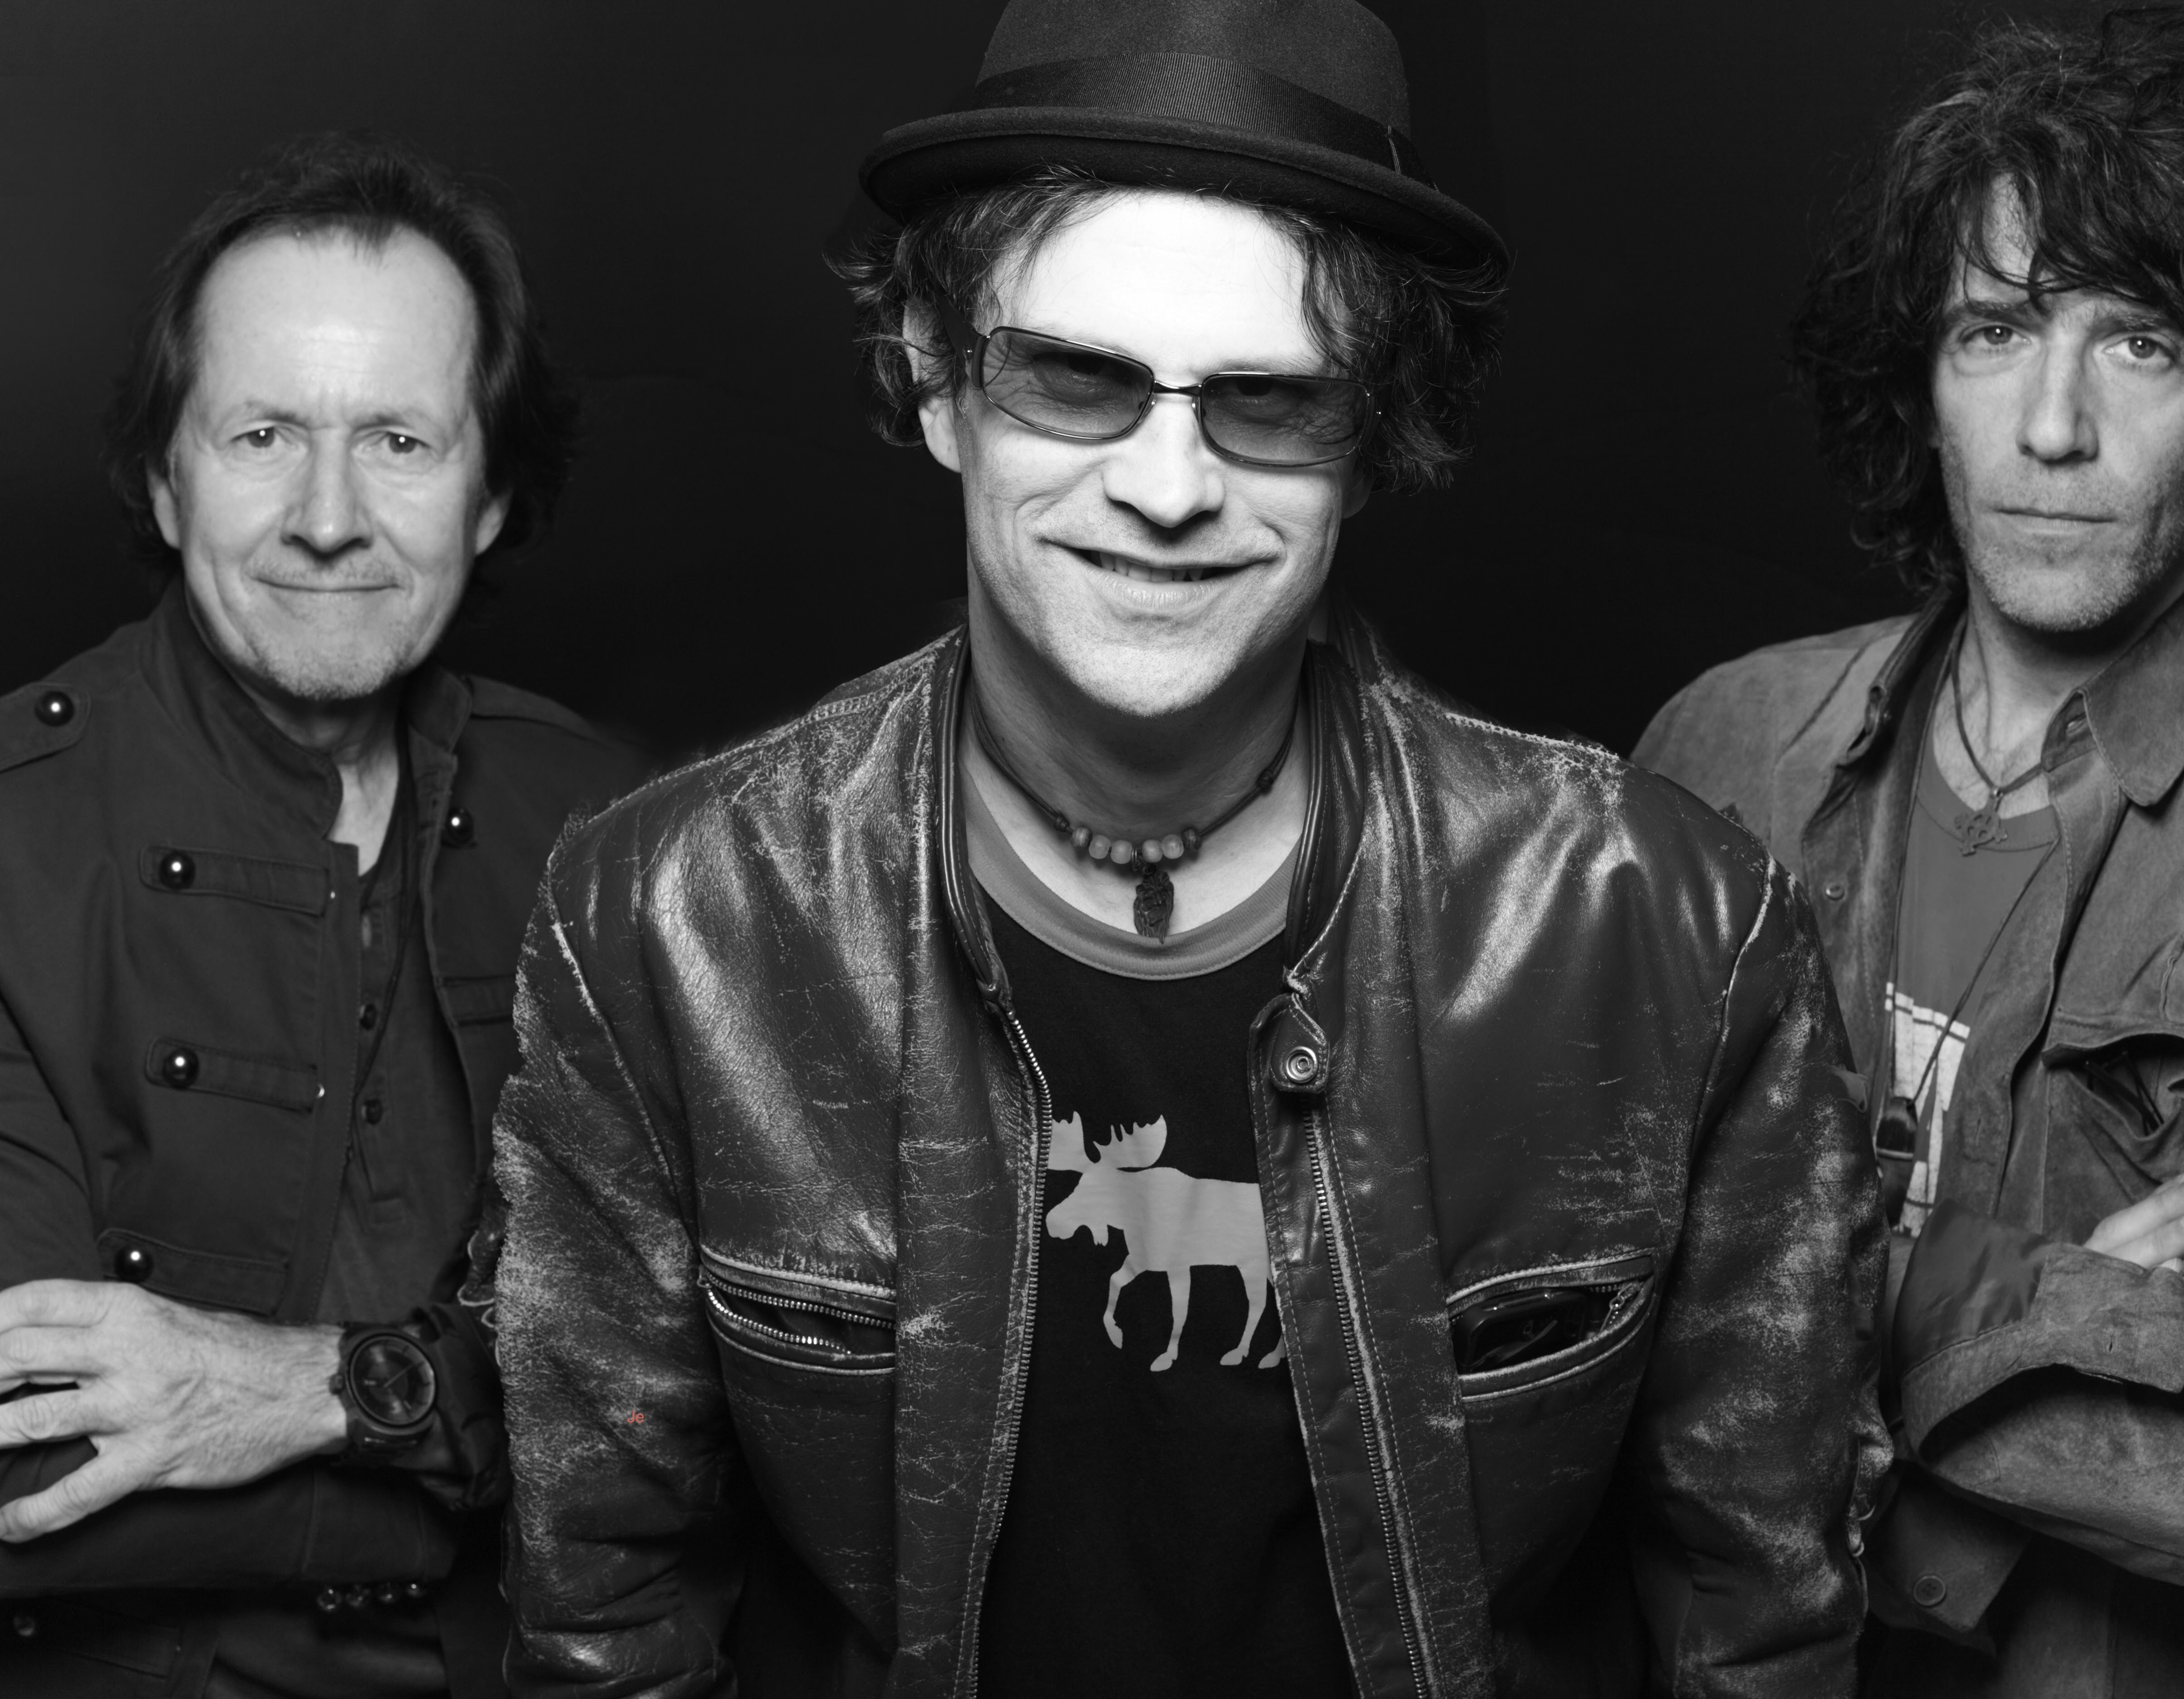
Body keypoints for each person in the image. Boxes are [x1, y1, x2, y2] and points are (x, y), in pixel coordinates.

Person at [487, 2, 1884, 1693]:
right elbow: (609, 1617)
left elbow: (1761, 1620)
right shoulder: (665, 922)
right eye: (1074, 379)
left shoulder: (1666, 930)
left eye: (1268, 402)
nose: (1168, 487)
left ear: (1370, 437)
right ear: (938, 380)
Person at [0, 133, 646, 1697]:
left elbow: (702, 1393)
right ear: (164, 475)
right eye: (263, 433)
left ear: (489, 495)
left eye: (400, 440)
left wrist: (318, 1390)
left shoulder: (616, 825)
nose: (329, 515)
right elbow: (5, 1498)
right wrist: (499, 1481)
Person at [1634, 14, 2184, 1695]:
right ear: (1923, 382)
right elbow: (1545, 1281)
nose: (2052, 427)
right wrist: (2015, 1296)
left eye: (2142, 344)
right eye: (1996, 330)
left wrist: (1750, 1280)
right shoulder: (1722, 746)